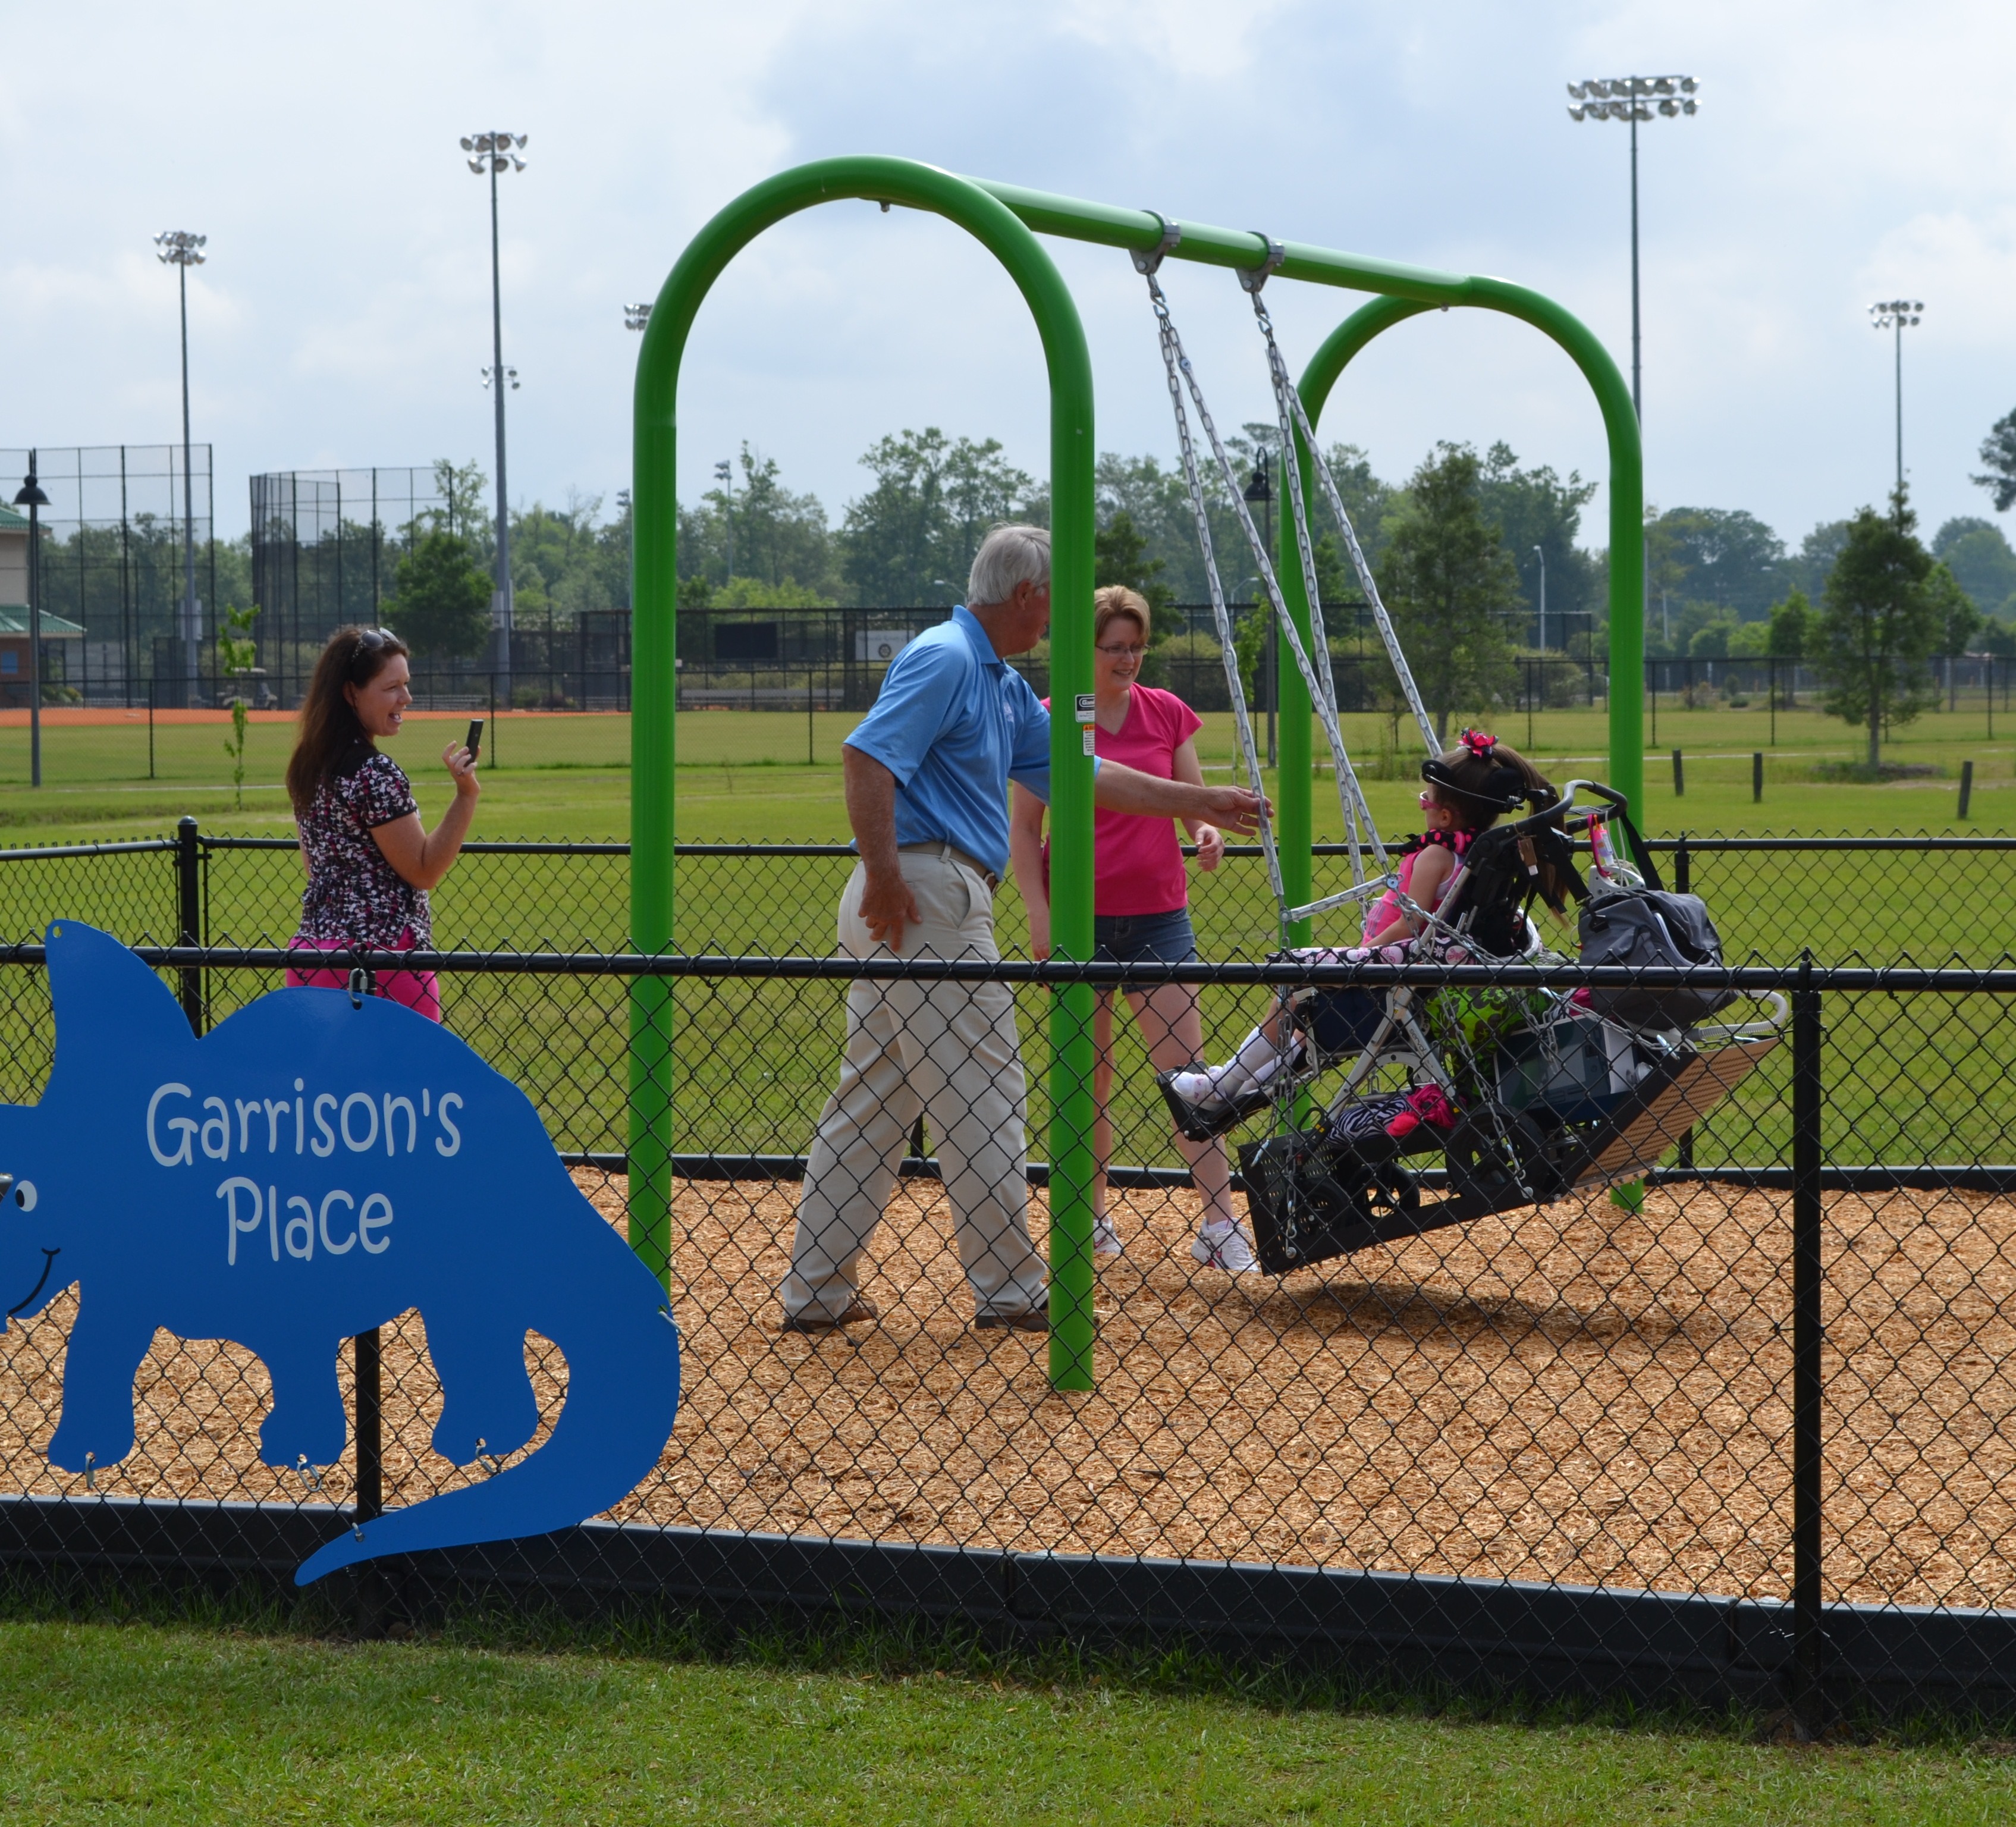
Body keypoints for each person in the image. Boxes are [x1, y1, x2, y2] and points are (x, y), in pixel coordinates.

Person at [780, 526, 1269, 1334]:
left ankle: (816, 1291)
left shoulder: (999, 682)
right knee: (985, 1088)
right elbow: (865, 758)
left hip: (918, 890)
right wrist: (888, 877)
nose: (1059, 621)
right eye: (1056, 601)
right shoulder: (947, 657)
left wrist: (1200, 802)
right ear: (1025, 594)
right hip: (924, 894)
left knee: (874, 1098)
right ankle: (1011, 1290)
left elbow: (1082, 775)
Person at [1008, 585, 1254, 1273]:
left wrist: (1205, 832)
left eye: (1136, 646)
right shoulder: (1052, 718)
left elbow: (1190, 801)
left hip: (1158, 916)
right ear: (1083, 649)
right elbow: (1024, 829)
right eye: (1113, 647)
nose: (1127, 659)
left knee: (1190, 1080)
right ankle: (1090, 1218)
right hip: (1078, 920)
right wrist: (1039, 913)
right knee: (1088, 1078)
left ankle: (1220, 1225)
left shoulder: (1165, 711)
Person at [1161, 732, 1561, 1132]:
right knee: (1302, 1032)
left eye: (1426, 799)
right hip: (1420, 973)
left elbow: (1412, 922)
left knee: (1290, 992)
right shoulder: (1471, 853)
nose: (1421, 803)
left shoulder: (1436, 855)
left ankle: (1224, 1084)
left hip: (1395, 977)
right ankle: (1234, 1089)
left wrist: (1364, 954)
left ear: (1444, 817)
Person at [283, 624, 480, 1021]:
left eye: (406, 685)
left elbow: (315, 866)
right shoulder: (375, 773)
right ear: (351, 693)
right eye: (392, 687)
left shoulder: (309, 767)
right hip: (384, 966)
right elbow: (423, 870)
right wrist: (466, 796)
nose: (406, 698)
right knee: (410, 1064)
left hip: (312, 960)